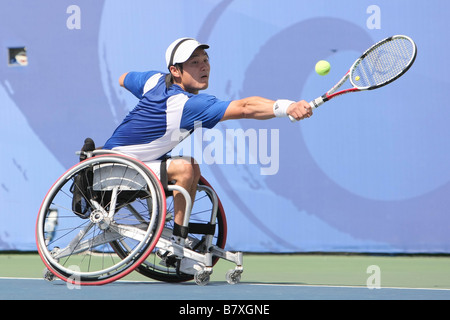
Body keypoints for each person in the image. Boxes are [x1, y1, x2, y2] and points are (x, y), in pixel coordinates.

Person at [103, 37, 312, 272]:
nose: (204, 67)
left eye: (205, 60)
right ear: (176, 71)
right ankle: (176, 246)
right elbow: (244, 108)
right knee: (185, 168)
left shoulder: (153, 80)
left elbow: (124, 78)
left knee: (190, 166)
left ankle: (178, 238)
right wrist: (288, 107)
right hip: (116, 170)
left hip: (114, 163)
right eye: (194, 62)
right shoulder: (187, 104)